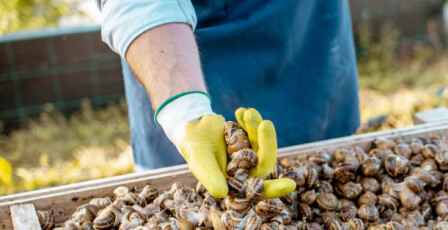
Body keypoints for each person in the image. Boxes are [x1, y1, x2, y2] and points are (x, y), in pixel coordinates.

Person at [97, 0, 361, 198]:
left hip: (308, 36)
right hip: (187, 52)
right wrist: (186, 110)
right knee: (192, 190)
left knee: (327, 174)